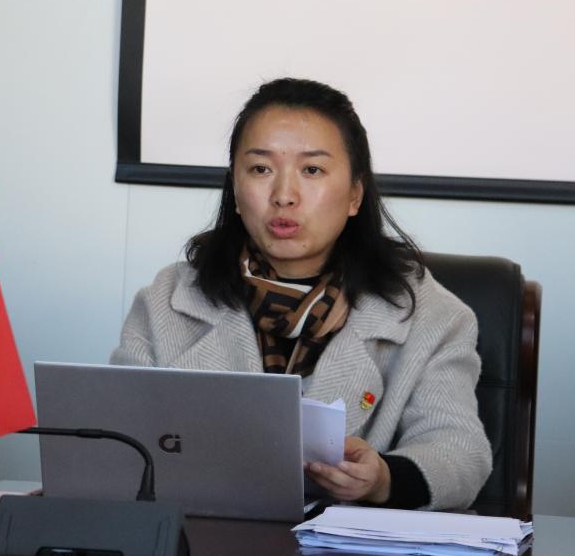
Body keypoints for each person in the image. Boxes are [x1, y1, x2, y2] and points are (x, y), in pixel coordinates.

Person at [111, 78, 491, 510]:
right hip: (202, 532)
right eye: (261, 169)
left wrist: (382, 479)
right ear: (235, 190)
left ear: (354, 194)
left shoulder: (431, 315)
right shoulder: (166, 301)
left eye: (312, 170)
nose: (284, 196)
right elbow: (117, 442)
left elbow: (461, 454)